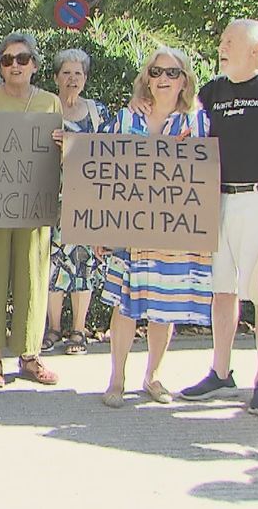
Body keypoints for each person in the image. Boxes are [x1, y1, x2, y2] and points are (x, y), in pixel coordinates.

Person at [179, 18, 258, 417]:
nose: (222, 46)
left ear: (257, 50)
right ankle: (220, 371)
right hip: (220, 200)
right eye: (223, 40)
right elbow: (184, 125)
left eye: (231, 41)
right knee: (222, 290)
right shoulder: (213, 91)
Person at [90, 48, 211, 408]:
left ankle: (153, 376)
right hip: (128, 230)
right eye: (156, 71)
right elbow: (100, 170)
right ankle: (117, 378)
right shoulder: (126, 120)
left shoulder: (199, 123)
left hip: (175, 233)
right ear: (147, 77)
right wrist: (101, 228)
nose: (163, 79)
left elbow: (206, 181)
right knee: (125, 306)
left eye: (172, 73)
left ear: (184, 80)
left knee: (165, 305)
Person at [0, 31, 62, 390]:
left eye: (22, 59)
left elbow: (62, 155)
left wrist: (65, 144)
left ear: (34, 65)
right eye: (7, 60)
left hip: (34, 205)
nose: (15, 65)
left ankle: (30, 355)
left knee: (32, 277)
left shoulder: (51, 103)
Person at [43, 48, 109, 356]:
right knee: (52, 264)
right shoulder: (44, 109)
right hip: (49, 200)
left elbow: (110, 154)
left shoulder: (98, 112)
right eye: (66, 73)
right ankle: (53, 328)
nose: (72, 79)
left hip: (86, 201)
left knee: (83, 265)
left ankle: (79, 330)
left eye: (78, 73)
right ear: (56, 77)